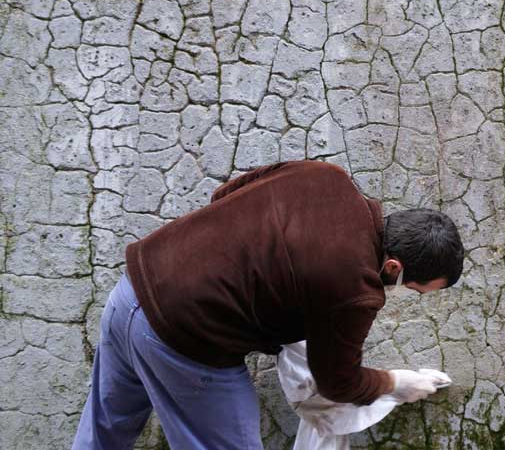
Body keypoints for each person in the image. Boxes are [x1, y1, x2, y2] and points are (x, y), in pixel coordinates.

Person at [72, 160, 465, 449]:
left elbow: (223, 195)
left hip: (132, 289)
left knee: (103, 433)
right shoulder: (357, 287)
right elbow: (338, 382)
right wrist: (396, 383)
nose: (403, 292)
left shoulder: (326, 177)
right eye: (412, 288)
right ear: (394, 265)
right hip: (184, 337)